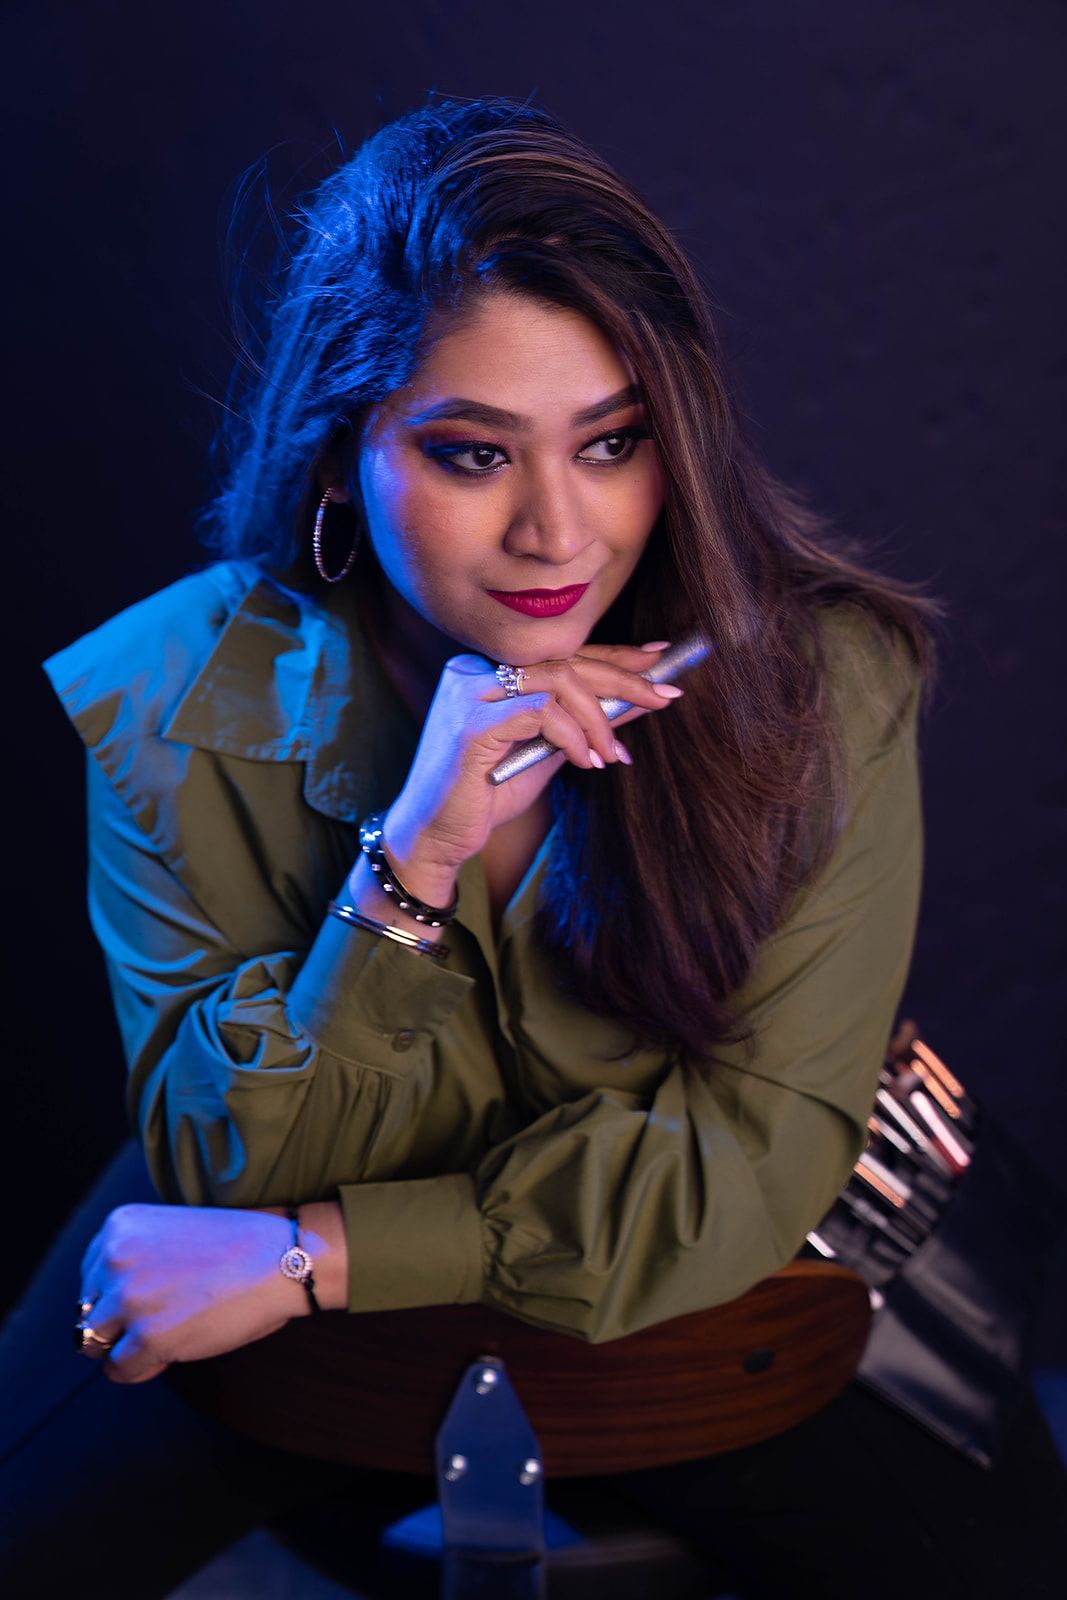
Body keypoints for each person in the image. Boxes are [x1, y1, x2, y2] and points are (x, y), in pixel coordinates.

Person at [3, 92, 1065, 1598]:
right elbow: (223, 1159)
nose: (560, 537)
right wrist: (411, 859)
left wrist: (315, 1256)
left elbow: (741, 1166)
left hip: (683, 1312)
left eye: (612, 442)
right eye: (471, 453)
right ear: (339, 455)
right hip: (236, 1298)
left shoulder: (825, 686)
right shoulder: (175, 691)